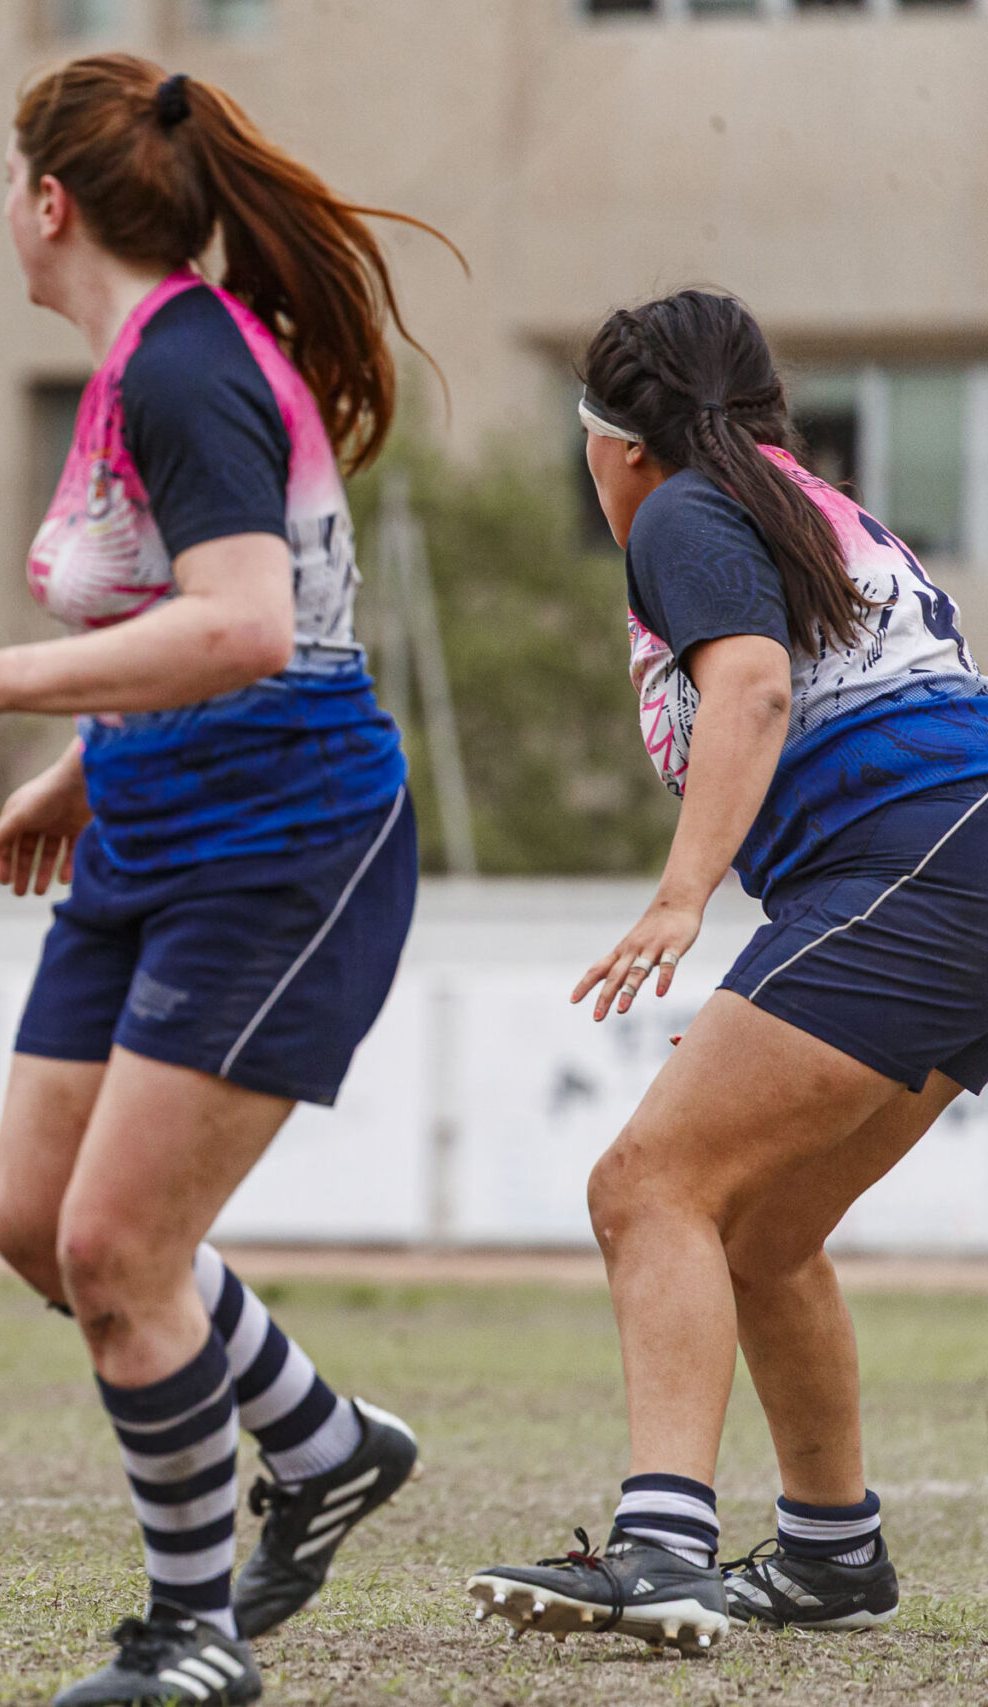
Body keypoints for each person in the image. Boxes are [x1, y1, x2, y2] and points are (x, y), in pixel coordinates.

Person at [0, 58, 456, 1706]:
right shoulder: (142, 361)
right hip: (155, 817)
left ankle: (195, 1634)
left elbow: (256, 626)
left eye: (6, 182)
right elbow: (185, 625)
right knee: (41, 1227)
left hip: (282, 838)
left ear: (49, 204)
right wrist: (84, 757)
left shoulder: (184, 365)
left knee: (119, 1249)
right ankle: (323, 1445)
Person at [466, 291, 988, 1649]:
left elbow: (753, 685)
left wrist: (681, 892)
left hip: (919, 860)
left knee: (649, 1182)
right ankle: (829, 1553)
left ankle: (660, 1545)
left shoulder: (686, 509)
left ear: (616, 444)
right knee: (759, 1230)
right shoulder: (799, 499)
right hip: (947, 862)